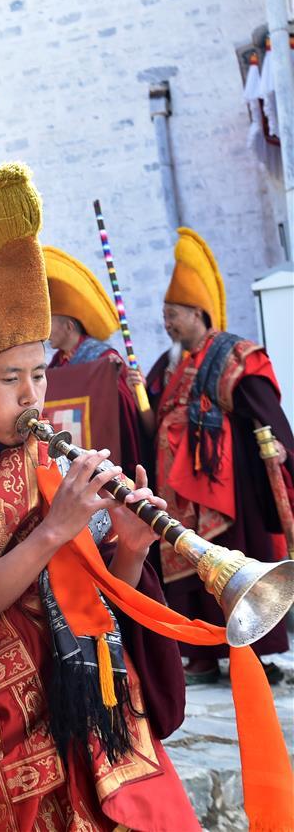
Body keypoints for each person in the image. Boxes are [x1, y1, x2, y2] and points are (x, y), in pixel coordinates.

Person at [0, 164, 198, 830]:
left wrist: (134, 554)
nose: (32, 396)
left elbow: (91, 594)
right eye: (10, 378)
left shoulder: (49, 460)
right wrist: (53, 529)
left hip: (89, 708)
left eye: (39, 373)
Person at [127, 227, 293, 684]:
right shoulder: (167, 363)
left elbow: (260, 403)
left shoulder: (232, 353)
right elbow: (151, 421)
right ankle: (200, 653)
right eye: (164, 315)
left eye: (173, 314)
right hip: (175, 486)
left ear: (198, 312)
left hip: (223, 480)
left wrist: (277, 446)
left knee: (233, 557)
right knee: (182, 554)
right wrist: (135, 389)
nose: (167, 323)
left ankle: (254, 650)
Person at [44, 245, 142, 480]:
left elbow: (124, 416)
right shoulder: (54, 367)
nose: (45, 330)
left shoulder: (103, 360)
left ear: (69, 326)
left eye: (51, 323)